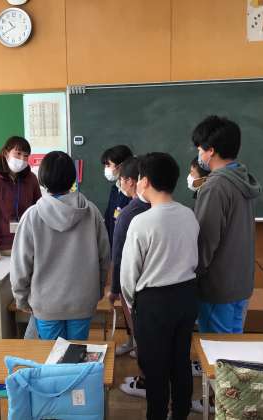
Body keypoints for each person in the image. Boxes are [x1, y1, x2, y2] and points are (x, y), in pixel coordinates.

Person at [190, 116, 261, 413]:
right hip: (241, 281)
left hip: (218, 286)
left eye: (200, 148)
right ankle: (234, 405)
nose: (198, 154)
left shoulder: (216, 186)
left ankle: (222, 407)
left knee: (219, 356)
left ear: (211, 150)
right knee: (233, 351)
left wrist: (193, 275)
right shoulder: (243, 179)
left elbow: (205, 242)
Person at [121, 152, 199, 420]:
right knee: (180, 361)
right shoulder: (189, 215)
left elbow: (129, 274)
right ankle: (180, 414)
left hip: (154, 302)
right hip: (186, 296)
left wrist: (133, 303)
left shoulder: (141, 222)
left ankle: (156, 415)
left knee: (155, 368)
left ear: (145, 181)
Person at [10, 151, 110, 340]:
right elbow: (104, 257)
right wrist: (97, 290)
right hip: (82, 300)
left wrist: (21, 298)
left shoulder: (32, 216)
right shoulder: (92, 212)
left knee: (52, 355)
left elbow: (20, 265)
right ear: (72, 178)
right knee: (76, 352)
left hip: (46, 303)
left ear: (42, 179)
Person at [106, 156, 151, 397]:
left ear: (133, 181)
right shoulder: (160, 207)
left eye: (121, 179)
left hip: (132, 285)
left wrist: (114, 289)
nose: (120, 184)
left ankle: (145, 380)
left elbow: (118, 257)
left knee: (142, 335)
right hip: (157, 286)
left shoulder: (129, 213)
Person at [0, 136, 41, 261]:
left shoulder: (31, 179)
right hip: (4, 247)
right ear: (6, 153)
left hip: (29, 243)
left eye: (26, 156)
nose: (22, 159)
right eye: (18, 154)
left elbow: (38, 210)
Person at [101, 145, 133, 247]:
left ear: (121, 166)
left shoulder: (133, 193)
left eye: (108, 165)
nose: (106, 169)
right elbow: (109, 218)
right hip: (112, 245)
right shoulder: (115, 189)